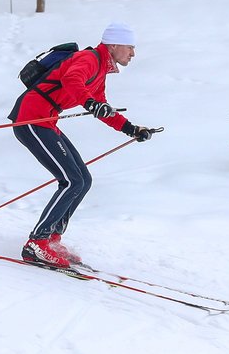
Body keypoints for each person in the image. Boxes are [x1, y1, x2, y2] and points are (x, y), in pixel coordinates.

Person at [8, 21, 154, 268]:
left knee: (83, 180)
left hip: (47, 121)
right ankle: (37, 243)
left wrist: (131, 129)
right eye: (130, 47)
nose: (133, 53)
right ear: (115, 44)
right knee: (72, 180)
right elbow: (72, 81)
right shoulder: (89, 59)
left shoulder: (100, 71)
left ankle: (52, 238)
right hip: (32, 118)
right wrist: (89, 104)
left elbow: (101, 105)